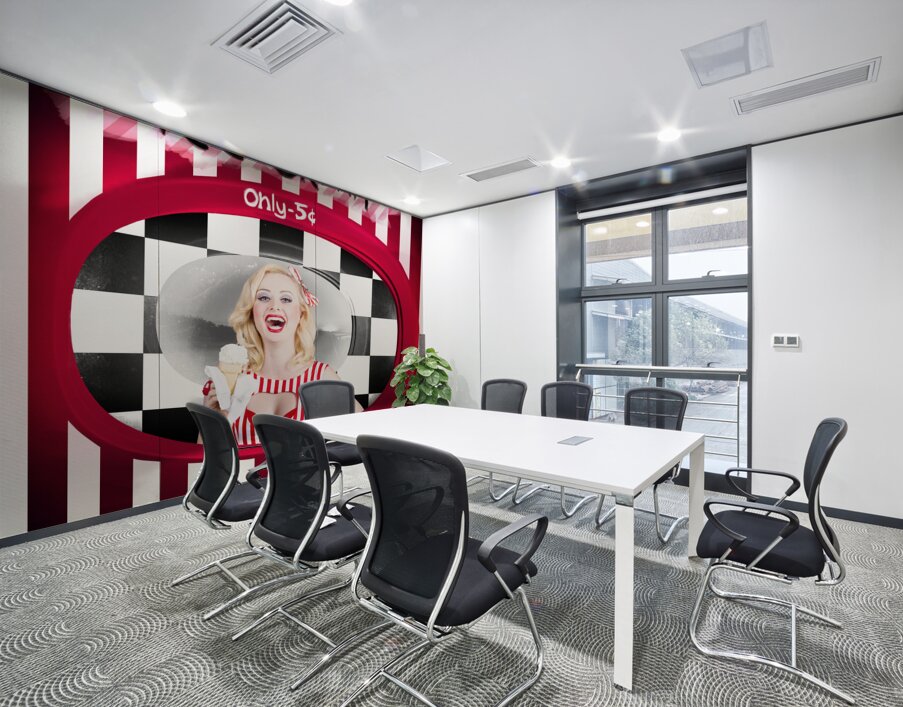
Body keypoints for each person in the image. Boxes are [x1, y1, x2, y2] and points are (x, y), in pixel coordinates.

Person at [202, 262, 355, 446]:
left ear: (301, 314)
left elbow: (359, 438)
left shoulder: (322, 377)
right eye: (264, 298)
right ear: (252, 312)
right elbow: (204, 459)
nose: (275, 306)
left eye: (286, 299)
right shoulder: (228, 381)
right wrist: (215, 420)